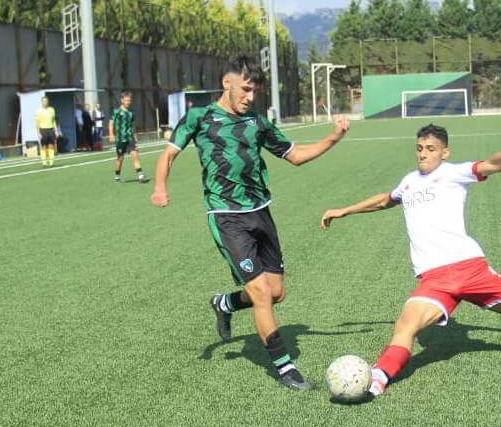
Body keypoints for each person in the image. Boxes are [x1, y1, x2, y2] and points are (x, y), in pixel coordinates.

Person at [320, 124, 501, 398]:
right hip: (434, 279)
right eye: (419, 148)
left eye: (430, 149)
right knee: (404, 326)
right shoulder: (409, 182)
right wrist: (344, 211)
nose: (423, 154)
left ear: (445, 152)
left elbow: (492, 165)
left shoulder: (454, 173)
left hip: (471, 269)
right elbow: (385, 199)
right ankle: (378, 378)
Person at [150, 53, 351, 391]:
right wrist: (159, 186)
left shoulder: (257, 122)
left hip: (261, 211)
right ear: (226, 83)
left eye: (255, 91)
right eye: (245, 89)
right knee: (260, 293)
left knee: (276, 293)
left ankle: (225, 303)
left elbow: (295, 156)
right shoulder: (199, 118)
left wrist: (334, 137)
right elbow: (169, 153)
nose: (250, 97)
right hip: (226, 215)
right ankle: (286, 369)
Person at [108, 91, 147, 183]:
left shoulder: (131, 113)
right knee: (120, 159)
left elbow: (133, 126)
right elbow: (111, 123)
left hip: (130, 139)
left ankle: (140, 176)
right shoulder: (116, 112)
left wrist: (135, 136)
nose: (128, 102)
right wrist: (111, 134)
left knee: (135, 155)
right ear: (122, 100)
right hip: (120, 139)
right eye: (126, 100)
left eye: (129, 100)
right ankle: (117, 176)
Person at [34, 95, 59, 167]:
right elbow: (37, 123)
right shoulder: (38, 111)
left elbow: (53, 121)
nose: (45, 102)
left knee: (51, 146)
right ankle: (44, 163)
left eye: (46, 101)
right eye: (44, 101)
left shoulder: (52, 109)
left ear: (48, 102)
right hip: (43, 130)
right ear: (41, 102)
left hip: (50, 129)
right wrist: (38, 133)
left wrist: (56, 130)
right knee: (43, 147)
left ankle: (51, 163)